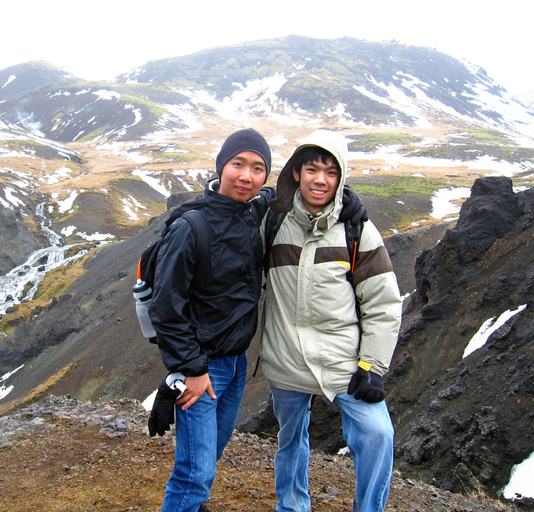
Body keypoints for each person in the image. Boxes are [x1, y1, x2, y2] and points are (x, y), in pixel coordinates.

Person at [259, 130, 402, 512]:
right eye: (312, 169)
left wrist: (372, 364)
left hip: (342, 361)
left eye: (331, 172)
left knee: (377, 434)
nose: (320, 180)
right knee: (290, 439)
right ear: (296, 173)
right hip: (285, 355)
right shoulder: (272, 223)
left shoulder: (358, 230)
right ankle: (291, 506)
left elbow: (383, 302)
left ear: (341, 179)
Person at [148, 127, 274, 512]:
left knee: (209, 457)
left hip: (236, 364)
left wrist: (345, 199)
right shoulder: (191, 227)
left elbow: (286, 192)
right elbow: (166, 308)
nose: (246, 176)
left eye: (258, 168)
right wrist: (192, 369)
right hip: (203, 367)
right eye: (238, 164)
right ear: (221, 167)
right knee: (194, 472)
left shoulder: (252, 209)